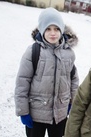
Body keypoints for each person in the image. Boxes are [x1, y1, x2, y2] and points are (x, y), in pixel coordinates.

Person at [14, 7, 79, 137]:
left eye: (56, 29)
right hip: (36, 114)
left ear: (61, 30)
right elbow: (22, 82)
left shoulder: (68, 53)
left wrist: (72, 102)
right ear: (42, 30)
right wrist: (23, 111)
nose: (52, 33)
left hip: (59, 114)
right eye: (48, 29)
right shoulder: (33, 51)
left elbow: (73, 80)